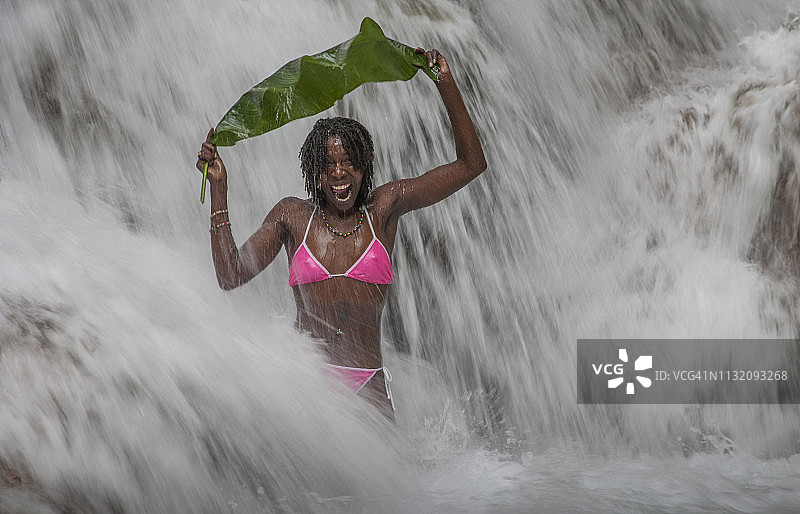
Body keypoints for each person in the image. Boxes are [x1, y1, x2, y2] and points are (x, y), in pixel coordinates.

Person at [196, 48, 486, 419]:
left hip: (369, 388)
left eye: (349, 161)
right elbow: (230, 274)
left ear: (364, 166)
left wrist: (444, 81)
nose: (338, 172)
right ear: (314, 173)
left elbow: (471, 165)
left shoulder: (384, 208)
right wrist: (219, 190)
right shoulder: (292, 216)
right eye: (328, 164)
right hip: (307, 389)